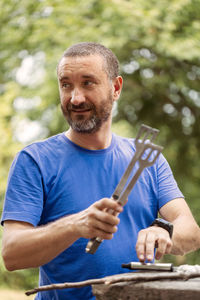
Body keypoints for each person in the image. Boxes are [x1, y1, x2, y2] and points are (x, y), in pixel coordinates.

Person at [1, 42, 200, 300]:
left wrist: (164, 231)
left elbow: (192, 233)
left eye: (88, 83)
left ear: (115, 88)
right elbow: (12, 254)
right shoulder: (35, 160)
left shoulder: (148, 159)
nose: (76, 98)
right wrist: (75, 225)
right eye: (66, 85)